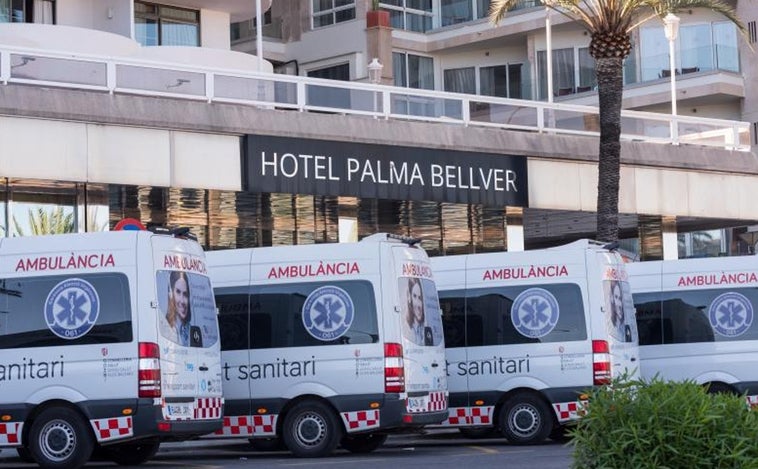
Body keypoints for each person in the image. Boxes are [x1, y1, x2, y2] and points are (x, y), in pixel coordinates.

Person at [164, 271, 192, 346]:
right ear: (171, 293)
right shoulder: (165, 328)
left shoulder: (191, 331)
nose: (182, 301)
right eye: (178, 292)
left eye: (185, 294)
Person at [405, 277, 427, 345]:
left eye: (420, 298)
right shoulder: (407, 329)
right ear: (409, 297)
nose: (418, 304)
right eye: (415, 296)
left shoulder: (424, 329)